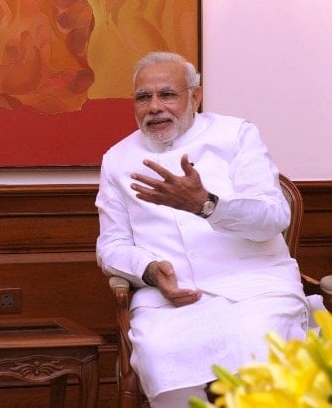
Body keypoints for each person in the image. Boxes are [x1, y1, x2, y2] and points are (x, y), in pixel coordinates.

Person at [95, 51, 308, 407]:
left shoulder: (237, 135)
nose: (154, 107)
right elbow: (111, 244)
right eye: (143, 97)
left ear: (195, 97)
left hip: (253, 291)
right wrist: (147, 271)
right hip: (171, 300)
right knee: (159, 354)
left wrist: (207, 205)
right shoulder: (117, 159)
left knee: (256, 342)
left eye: (167, 94)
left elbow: (273, 216)